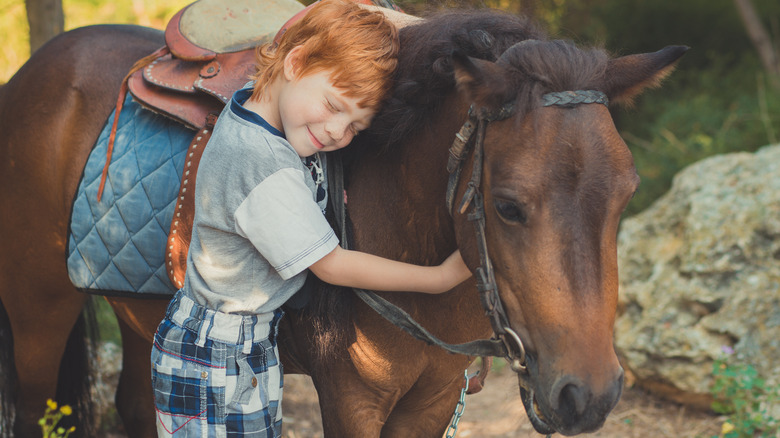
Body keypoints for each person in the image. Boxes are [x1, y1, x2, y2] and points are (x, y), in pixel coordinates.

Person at [150, 0, 471, 436]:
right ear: (295, 62)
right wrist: (438, 278)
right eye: (335, 105)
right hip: (217, 352)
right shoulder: (259, 161)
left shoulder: (256, 107)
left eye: (356, 126)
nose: (338, 132)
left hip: (244, 342)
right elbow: (330, 264)